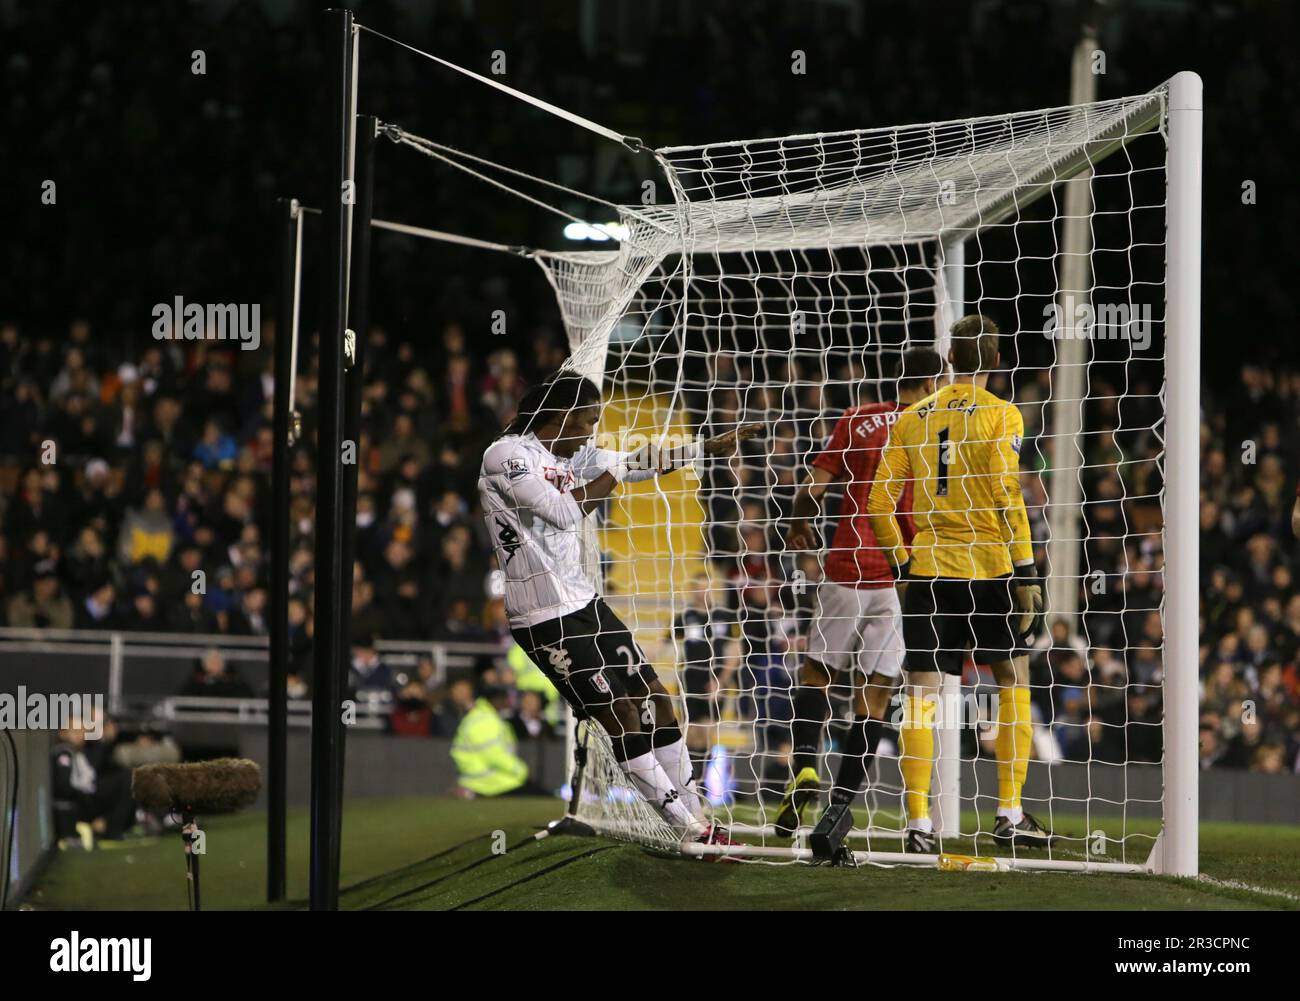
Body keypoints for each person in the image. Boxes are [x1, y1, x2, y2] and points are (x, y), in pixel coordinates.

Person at [478, 372, 760, 846]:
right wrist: (611, 471)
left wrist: (703, 449)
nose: (591, 431)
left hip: (585, 602)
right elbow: (564, 510)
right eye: (587, 421)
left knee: (655, 697)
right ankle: (685, 829)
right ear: (563, 416)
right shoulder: (506, 455)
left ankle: (698, 817)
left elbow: (634, 462)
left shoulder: (565, 454)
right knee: (620, 714)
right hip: (544, 618)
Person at [867, 315, 1052, 852]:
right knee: (1012, 681)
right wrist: (1025, 571)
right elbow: (1004, 491)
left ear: (948, 360)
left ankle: (919, 824)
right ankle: (1009, 813)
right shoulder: (1003, 415)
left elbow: (881, 503)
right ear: (994, 362)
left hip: (928, 573)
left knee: (921, 695)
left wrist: (903, 565)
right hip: (991, 569)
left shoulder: (914, 416)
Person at [776, 347, 943, 836]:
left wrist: (798, 522)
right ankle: (839, 809)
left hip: (847, 565)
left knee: (817, 671)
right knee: (873, 699)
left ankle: (806, 763)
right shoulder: (936, 433)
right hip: (898, 579)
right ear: (931, 385)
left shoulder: (858, 419)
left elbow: (814, 487)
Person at [451, 681, 551, 796]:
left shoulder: (483, 717)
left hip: (488, 782)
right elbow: (494, 755)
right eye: (504, 697)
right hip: (488, 784)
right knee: (543, 797)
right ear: (496, 700)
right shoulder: (485, 720)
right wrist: (521, 770)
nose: (508, 701)